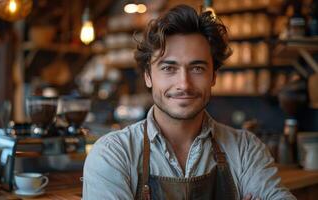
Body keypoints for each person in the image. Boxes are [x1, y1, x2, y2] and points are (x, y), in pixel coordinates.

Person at [82, 5, 296, 200]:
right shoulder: (113, 154)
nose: (184, 84)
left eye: (197, 68)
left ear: (213, 76)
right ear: (148, 76)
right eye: (168, 68)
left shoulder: (245, 149)